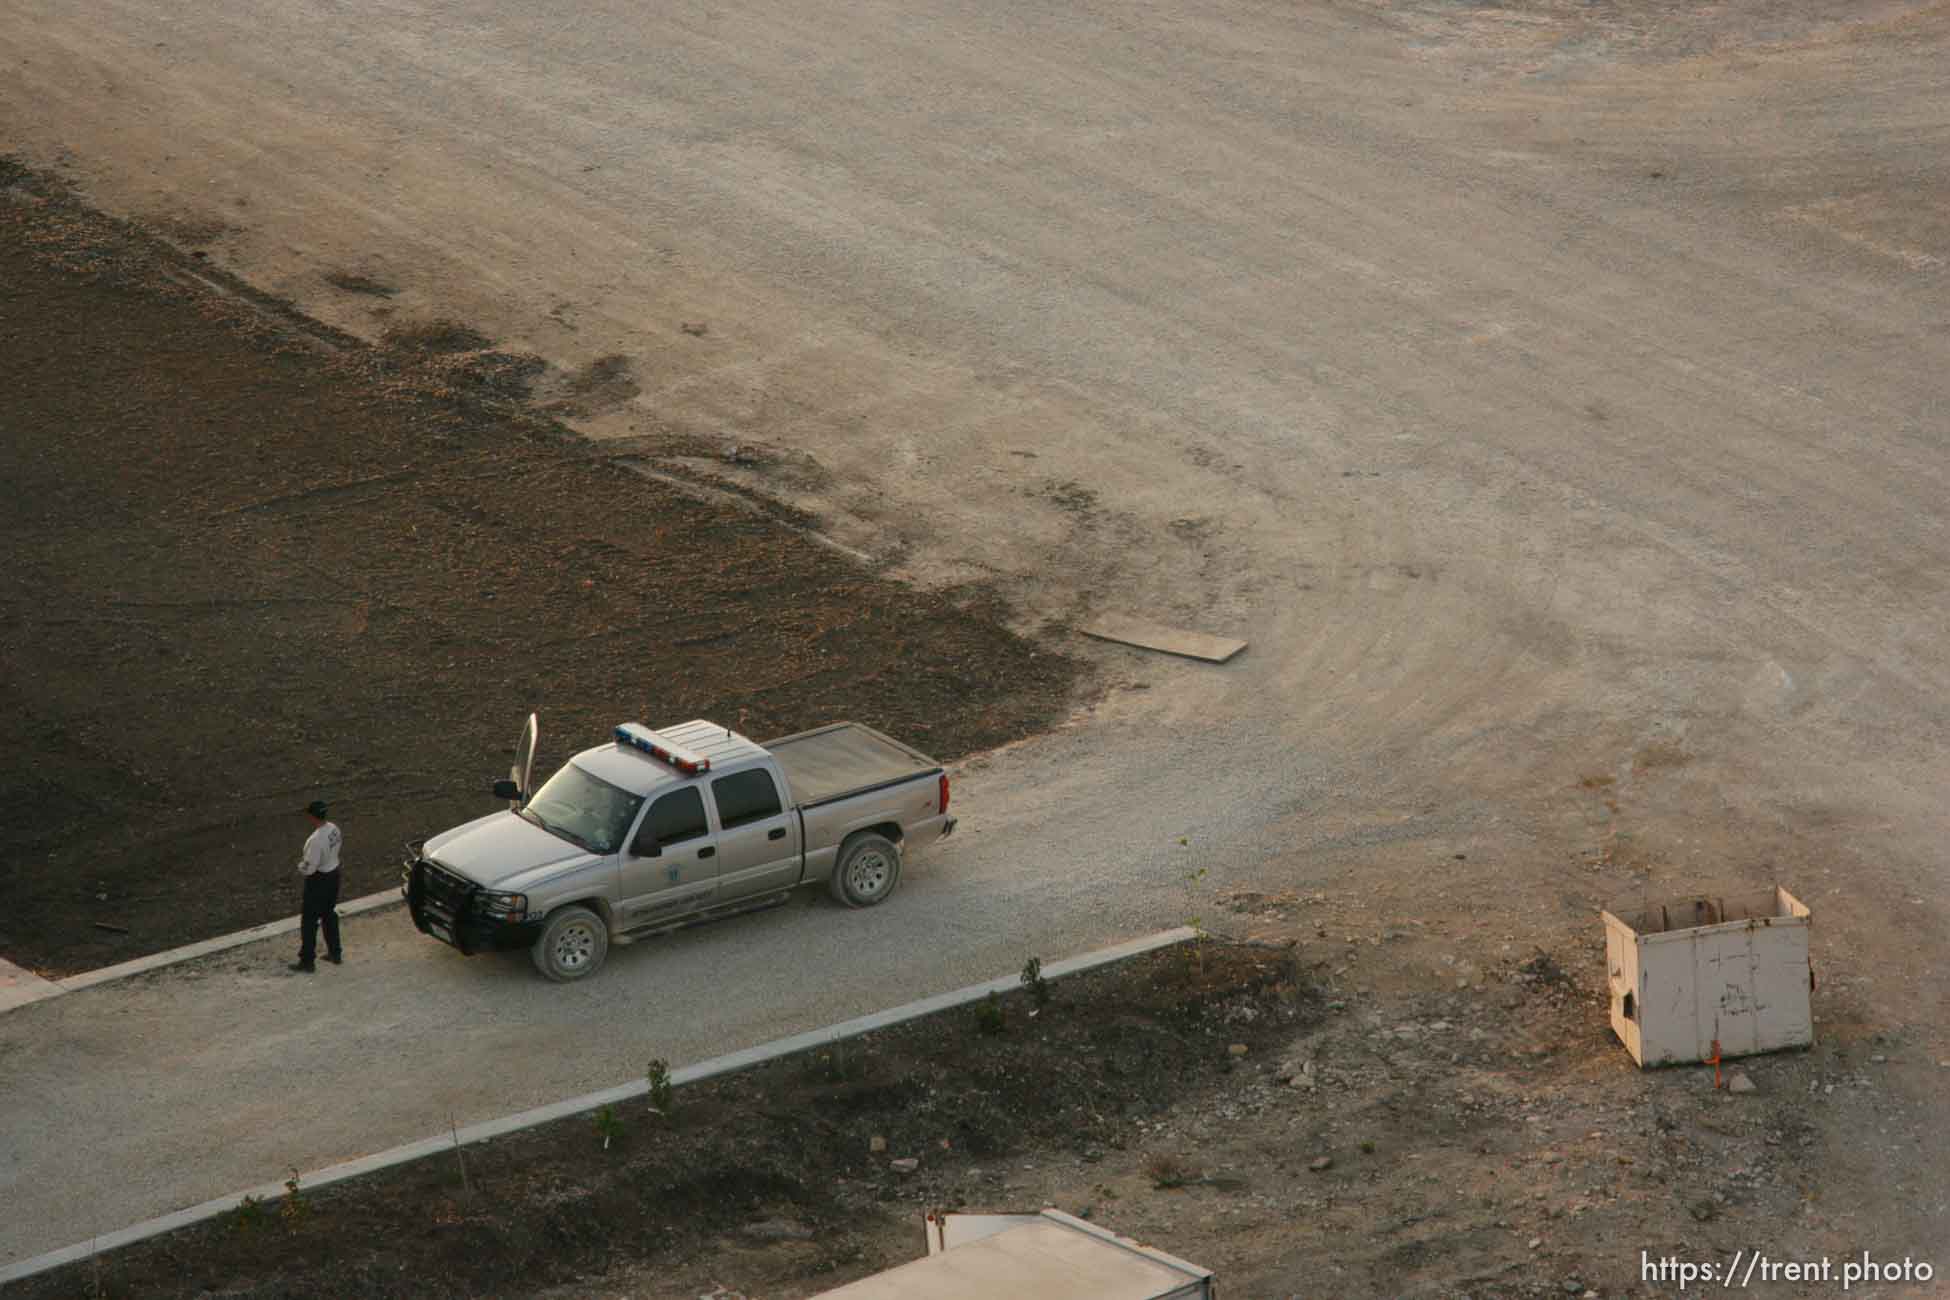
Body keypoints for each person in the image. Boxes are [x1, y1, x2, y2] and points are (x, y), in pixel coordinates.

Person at [290, 800, 344, 972]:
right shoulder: (334, 829)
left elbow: (309, 868)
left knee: (309, 921)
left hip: (319, 881)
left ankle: (307, 961)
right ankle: (335, 953)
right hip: (334, 875)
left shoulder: (314, 840)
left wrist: (300, 866)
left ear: (312, 816)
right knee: (329, 914)